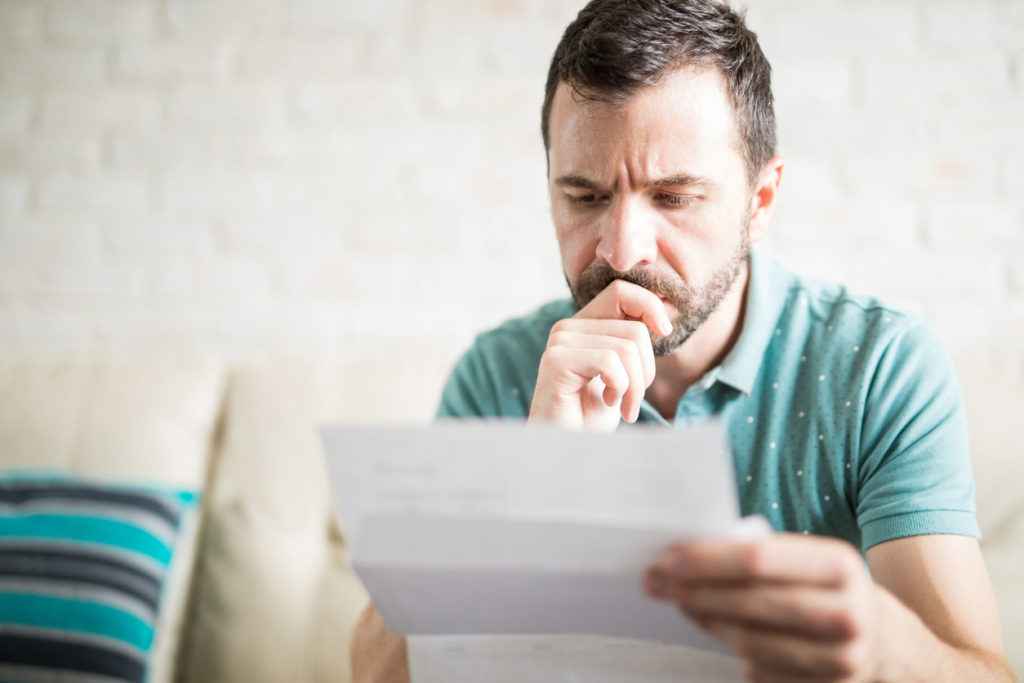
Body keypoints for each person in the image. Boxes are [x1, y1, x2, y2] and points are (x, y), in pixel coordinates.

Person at [352, 1, 1013, 680]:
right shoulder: (498, 371)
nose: (620, 249)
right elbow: (376, 672)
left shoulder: (880, 367)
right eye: (583, 196)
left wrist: (880, 649)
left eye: (673, 198)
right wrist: (531, 476)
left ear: (759, 202)